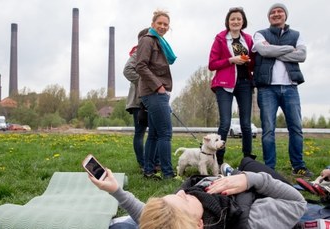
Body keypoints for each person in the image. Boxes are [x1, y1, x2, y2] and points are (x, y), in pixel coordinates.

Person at [89, 157, 306, 229]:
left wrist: (117, 190)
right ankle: (236, 171)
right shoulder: (251, 220)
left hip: (220, 185)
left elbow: (147, 216)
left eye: (173, 195)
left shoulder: (182, 219)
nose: (183, 192)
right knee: (249, 163)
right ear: (200, 224)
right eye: (183, 199)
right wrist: (249, 179)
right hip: (253, 191)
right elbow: (298, 203)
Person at [252, 3, 313, 177]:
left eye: (280, 11)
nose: (276, 14)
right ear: (268, 16)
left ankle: (298, 165)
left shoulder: (297, 35)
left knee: (296, 128)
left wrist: (273, 51)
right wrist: (288, 49)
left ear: (285, 15)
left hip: (290, 88)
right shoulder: (260, 34)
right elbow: (263, 50)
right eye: (273, 12)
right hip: (267, 89)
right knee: (268, 129)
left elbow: (301, 55)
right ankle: (269, 167)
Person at [208, 7, 256, 167]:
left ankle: (248, 159)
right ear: (228, 22)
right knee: (225, 123)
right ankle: (218, 159)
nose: (235, 22)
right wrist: (231, 60)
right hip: (224, 85)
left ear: (243, 22)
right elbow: (212, 64)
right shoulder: (220, 38)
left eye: (238, 19)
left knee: (246, 124)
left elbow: (254, 61)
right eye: (232, 19)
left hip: (244, 83)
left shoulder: (248, 39)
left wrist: (250, 62)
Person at [135, 10, 177, 179]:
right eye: (159, 23)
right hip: (153, 92)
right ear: (152, 24)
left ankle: (149, 170)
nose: (162, 26)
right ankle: (168, 174)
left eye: (166, 24)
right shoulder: (147, 40)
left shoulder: (160, 42)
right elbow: (140, 66)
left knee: (153, 134)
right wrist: (158, 85)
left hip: (156, 92)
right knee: (165, 134)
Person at [123, 28, 150, 171]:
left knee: (155, 132)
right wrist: (145, 80)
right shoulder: (138, 51)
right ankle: (143, 163)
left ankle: (151, 161)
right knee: (140, 132)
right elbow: (127, 70)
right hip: (138, 101)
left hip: (150, 98)